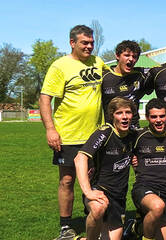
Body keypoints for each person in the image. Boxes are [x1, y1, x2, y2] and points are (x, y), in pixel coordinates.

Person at [39, 24, 108, 240]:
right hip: (68, 136)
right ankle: (66, 227)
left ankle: (95, 219)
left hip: (95, 136)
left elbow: (119, 76)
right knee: (67, 180)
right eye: (84, 43)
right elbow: (44, 98)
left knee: (95, 181)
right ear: (72, 43)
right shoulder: (60, 66)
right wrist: (50, 129)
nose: (89, 47)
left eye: (91, 43)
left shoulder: (98, 63)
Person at [74, 97, 137, 240]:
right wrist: (88, 191)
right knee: (98, 208)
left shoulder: (133, 135)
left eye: (128, 112)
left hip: (119, 196)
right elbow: (80, 158)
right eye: (119, 113)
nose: (125, 117)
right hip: (99, 189)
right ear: (112, 115)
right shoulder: (105, 132)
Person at [131, 98, 166, 240]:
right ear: (147, 117)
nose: (158, 120)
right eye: (154, 117)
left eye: (162, 116)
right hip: (144, 187)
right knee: (157, 206)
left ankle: (138, 225)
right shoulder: (138, 136)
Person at [101, 40, 146, 129]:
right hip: (111, 132)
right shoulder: (104, 77)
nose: (131, 59)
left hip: (133, 131)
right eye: (127, 55)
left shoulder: (141, 75)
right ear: (117, 56)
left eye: (134, 56)